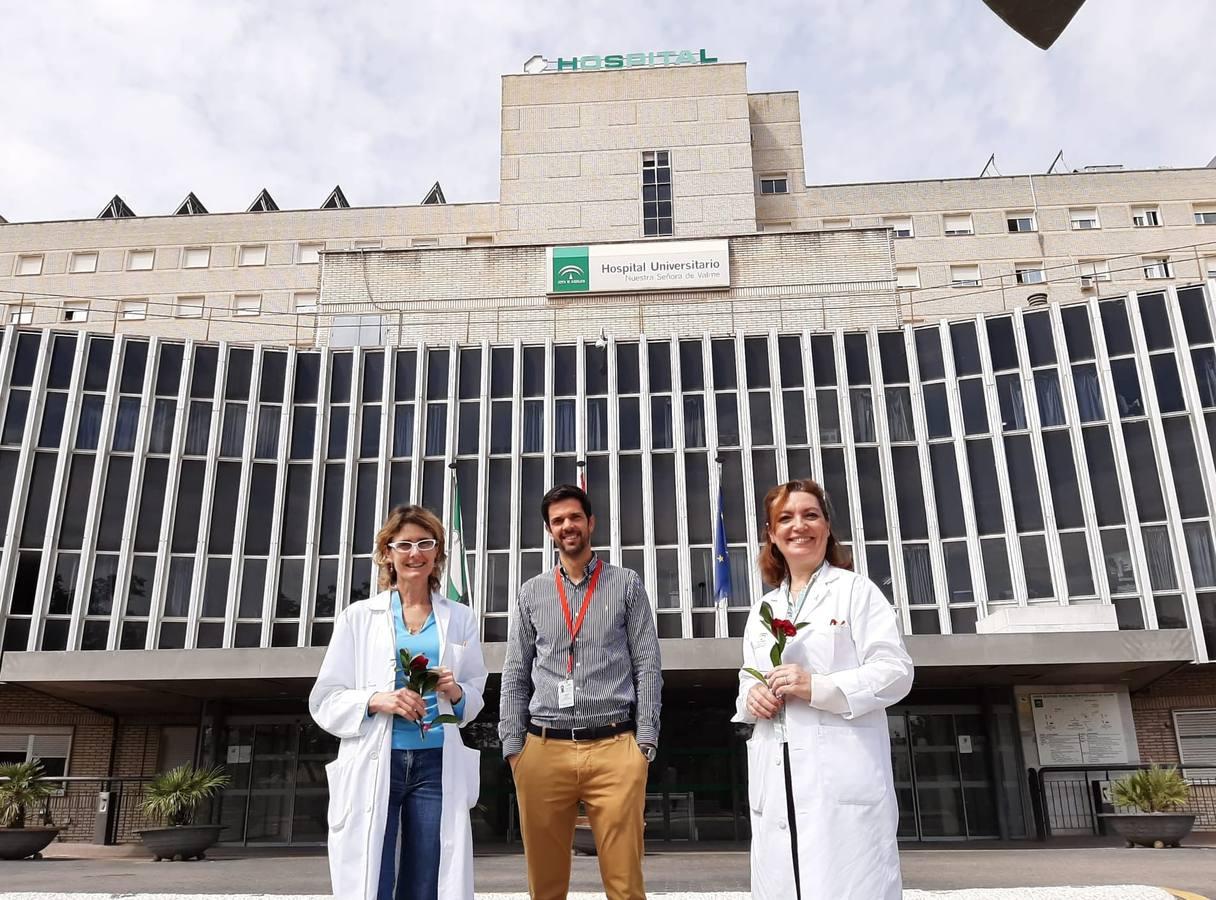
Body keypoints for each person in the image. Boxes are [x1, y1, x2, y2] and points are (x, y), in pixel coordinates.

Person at [733, 479, 913, 900]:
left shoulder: (856, 592)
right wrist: (750, 698)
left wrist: (820, 687)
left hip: (840, 784)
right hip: (776, 781)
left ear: (827, 527)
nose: (799, 526)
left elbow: (896, 671)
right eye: (786, 518)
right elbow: (748, 677)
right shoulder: (764, 609)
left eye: (810, 515)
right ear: (772, 535)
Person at [310, 505, 487, 900]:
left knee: (427, 876)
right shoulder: (358, 617)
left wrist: (455, 692)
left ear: (437, 552)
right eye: (404, 544)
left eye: (425, 543)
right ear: (387, 552)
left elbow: (474, 692)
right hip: (378, 760)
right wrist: (376, 699)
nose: (415, 553)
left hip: (435, 762)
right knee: (373, 876)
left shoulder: (459, 618)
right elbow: (325, 699)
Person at [499, 484, 662, 900]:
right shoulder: (531, 592)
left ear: (590, 523)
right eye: (558, 521)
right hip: (543, 748)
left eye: (574, 517)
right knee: (546, 885)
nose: (567, 526)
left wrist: (644, 742)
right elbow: (516, 671)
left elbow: (647, 665)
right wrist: (513, 747)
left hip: (615, 747)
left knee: (626, 884)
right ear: (550, 531)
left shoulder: (626, 584)